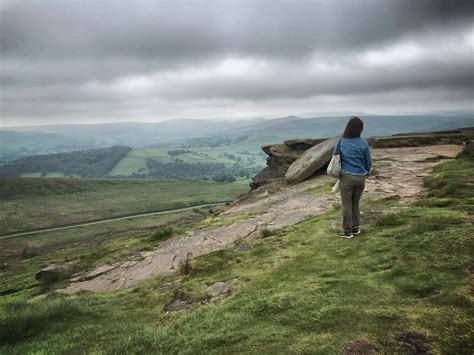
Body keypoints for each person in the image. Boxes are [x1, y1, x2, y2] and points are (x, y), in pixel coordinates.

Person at [333, 116, 372, 238]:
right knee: (355, 204)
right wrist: (366, 172)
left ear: (348, 128)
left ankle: (347, 232)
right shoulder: (364, 143)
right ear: (360, 129)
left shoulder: (341, 141)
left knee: (347, 205)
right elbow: (368, 162)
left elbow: (335, 155)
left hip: (347, 177)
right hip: (361, 178)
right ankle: (355, 229)